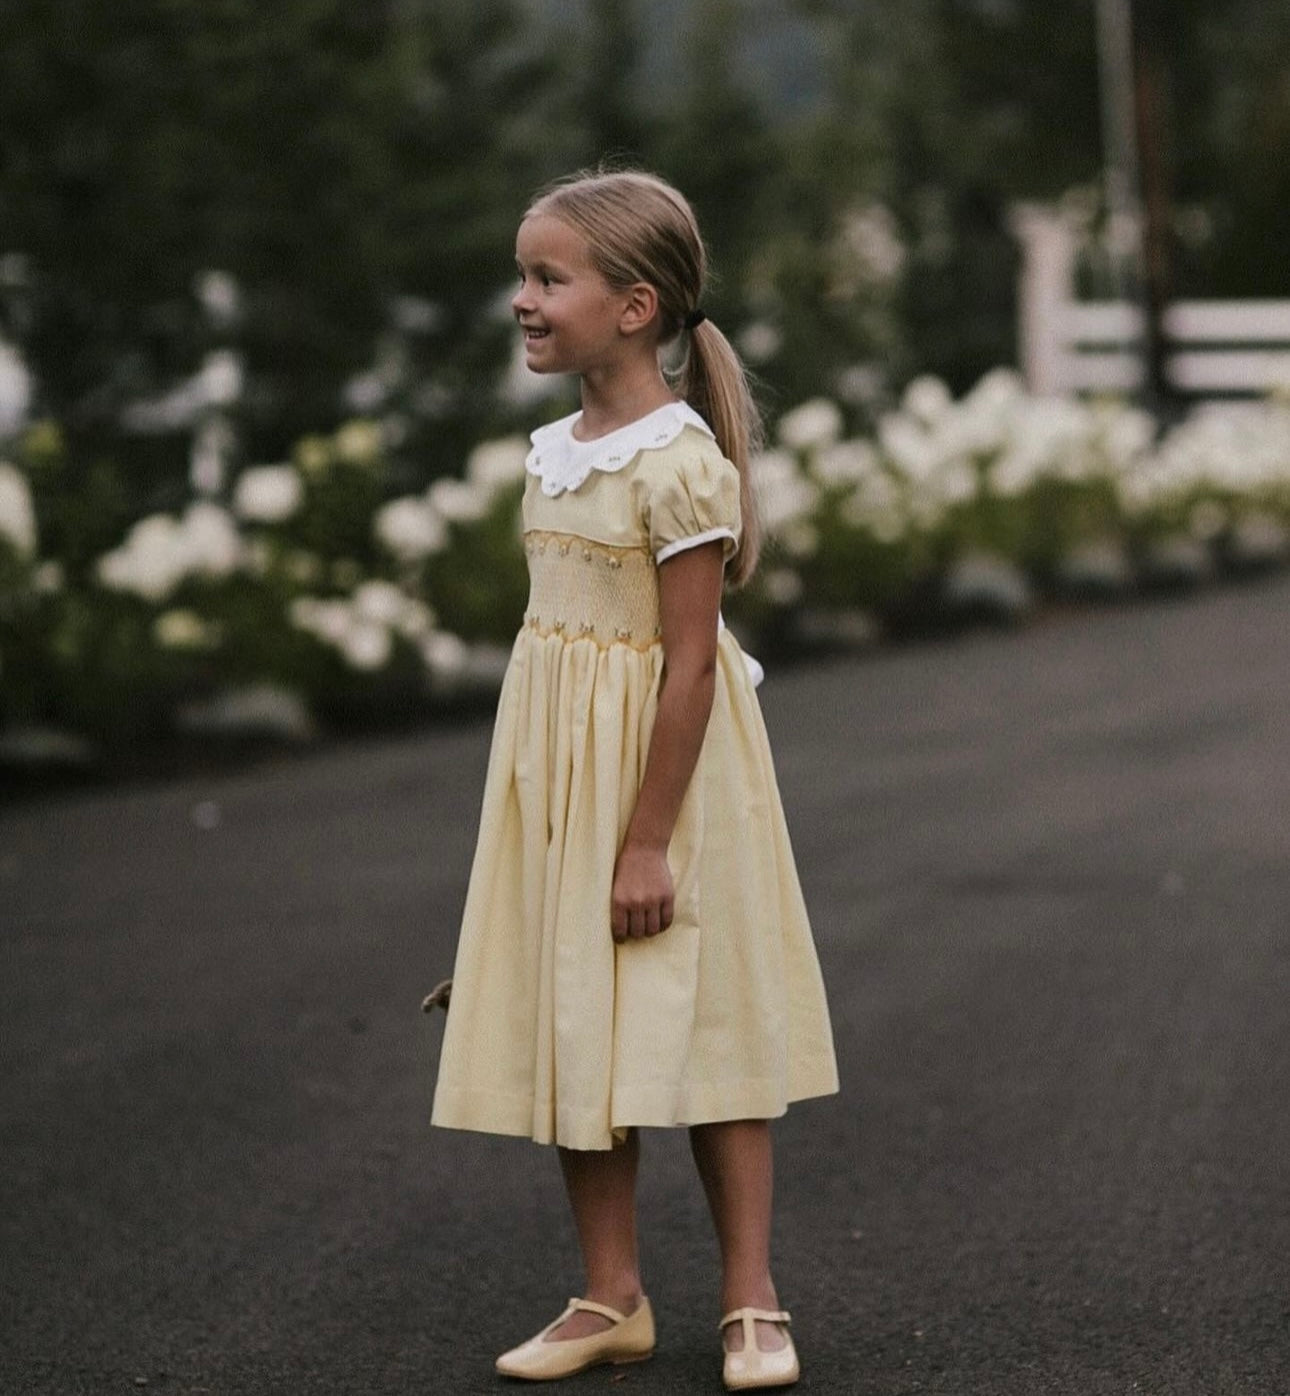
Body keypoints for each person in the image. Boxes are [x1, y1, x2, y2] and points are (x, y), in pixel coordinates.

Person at [430, 168, 837, 1390]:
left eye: (550, 278)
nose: (523, 299)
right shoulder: (554, 453)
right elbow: (554, 654)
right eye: (525, 274)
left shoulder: (681, 462)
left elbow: (693, 664)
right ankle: (611, 1295)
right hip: (564, 780)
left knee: (703, 1015)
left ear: (636, 305)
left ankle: (750, 1298)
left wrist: (648, 837)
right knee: (580, 1023)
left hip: (670, 785)